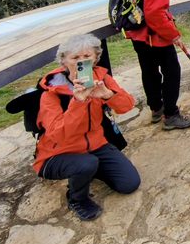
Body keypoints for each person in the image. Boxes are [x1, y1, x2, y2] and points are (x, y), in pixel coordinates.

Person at [34, 33, 140, 221]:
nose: (81, 62)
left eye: (87, 57)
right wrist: (78, 101)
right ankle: (76, 199)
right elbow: (58, 135)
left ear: (96, 58)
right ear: (64, 62)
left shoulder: (102, 78)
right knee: (86, 164)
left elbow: (127, 105)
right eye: (75, 58)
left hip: (96, 144)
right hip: (58, 154)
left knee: (129, 183)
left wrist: (108, 95)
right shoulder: (51, 92)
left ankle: (90, 169)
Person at [125, 0, 190, 130]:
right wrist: (174, 34)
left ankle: (156, 108)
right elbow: (155, 13)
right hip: (155, 36)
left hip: (137, 34)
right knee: (172, 71)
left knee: (149, 72)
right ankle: (171, 115)